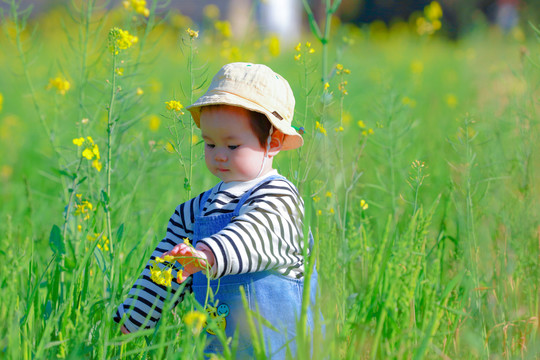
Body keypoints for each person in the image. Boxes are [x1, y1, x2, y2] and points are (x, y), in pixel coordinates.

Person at [114, 62, 318, 358]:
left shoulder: (280, 196)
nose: (219, 156)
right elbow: (167, 266)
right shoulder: (195, 210)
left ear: (272, 142)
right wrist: (137, 316)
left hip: (283, 348)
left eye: (233, 146)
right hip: (217, 348)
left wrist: (208, 255)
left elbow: (256, 234)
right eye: (209, 144)